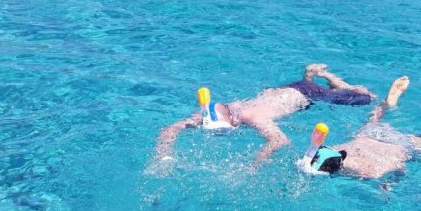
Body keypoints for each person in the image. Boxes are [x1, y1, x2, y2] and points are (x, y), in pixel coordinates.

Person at [149, 64, 374, 171]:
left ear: (233, 122)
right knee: (309, 85)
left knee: (365, 97)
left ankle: (327, 76)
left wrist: (254, 165)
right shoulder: (211, 111)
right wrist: (163, 157)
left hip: (308, 95)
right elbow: (170, 129)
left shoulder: (252, 117)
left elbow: (280, 140)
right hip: (287, 91)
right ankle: (309, 75)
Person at [304, 76, 421, 179]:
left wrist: (388, 184)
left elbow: (400, 167)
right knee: (371, 122)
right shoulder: (333, 149)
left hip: (401, 144)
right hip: (372, 134)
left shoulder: (370, 172)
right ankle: (385, 106)